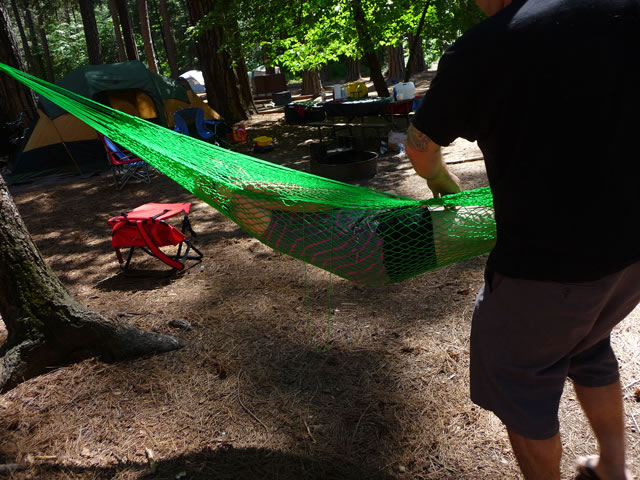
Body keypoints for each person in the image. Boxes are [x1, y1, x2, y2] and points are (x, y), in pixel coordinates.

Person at [405, 0, 640, 479]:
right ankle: (612, 469)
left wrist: (442, 182)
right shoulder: (624, 10)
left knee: (520, 376)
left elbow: (420, 147)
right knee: (588, 343)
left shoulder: (483, 48)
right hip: (631, 257)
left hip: (545, 270)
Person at [199, 182, 495, 286]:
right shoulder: (244, 202)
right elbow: (322, 198)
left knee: (503, 225)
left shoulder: (255, 213)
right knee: (507, 221)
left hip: (376, 251)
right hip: (379, 239)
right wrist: (245, 181)